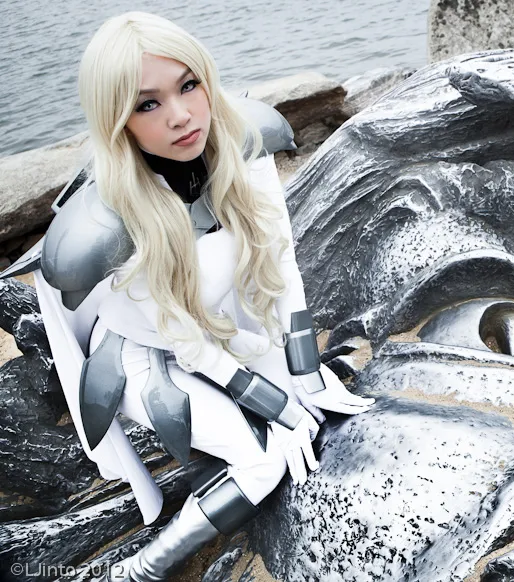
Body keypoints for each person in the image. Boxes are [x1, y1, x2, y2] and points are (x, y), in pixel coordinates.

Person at [27, 11, 374, 581]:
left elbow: (281, 262)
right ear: (118, 121)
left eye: (189, 85)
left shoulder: (243, 140)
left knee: (315, 409)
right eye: (147, 104)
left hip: (227, 325)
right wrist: (276, 405)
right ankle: (140, 570)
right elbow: (182, 340)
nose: (181, 115)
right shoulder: (111, 221)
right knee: (263, 460)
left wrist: (305, 371)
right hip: (148, 357)